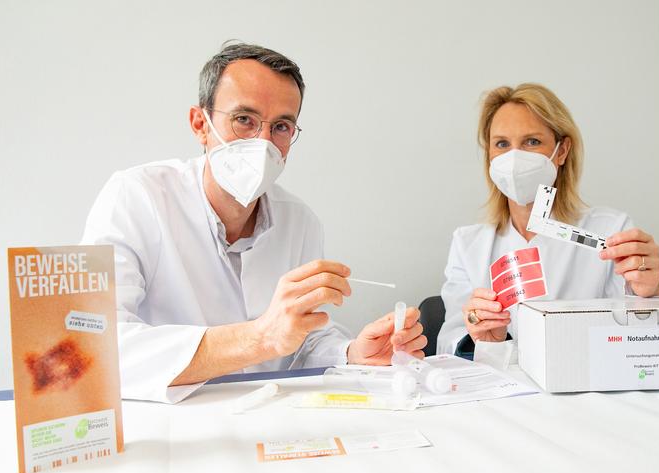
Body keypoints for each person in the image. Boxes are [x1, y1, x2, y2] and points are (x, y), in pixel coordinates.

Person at [81, 42, 426, 403]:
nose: (264, 143)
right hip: (172, 429)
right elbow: (96, 347)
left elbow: (303, 340)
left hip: (269, 421)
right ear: (201, 124)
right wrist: (261, 338)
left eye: (281, 126)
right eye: (244, 119)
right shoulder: (137, 198)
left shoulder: (301, 222)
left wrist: (352, 354)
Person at [437, 83, 659, 357]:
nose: (514, 157)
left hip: (587, 385)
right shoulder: (468, 243)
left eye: (532, 141)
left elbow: (651, 337)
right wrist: (482, 338)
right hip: (506, 393)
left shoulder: (610, 230)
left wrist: (657, 288)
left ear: (562, 150)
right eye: (502, 144)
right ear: (489, 155)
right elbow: (450, 342)